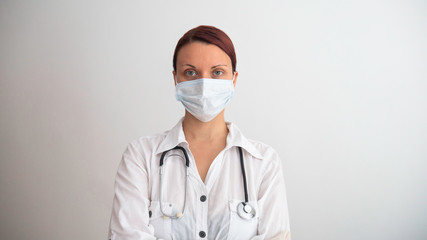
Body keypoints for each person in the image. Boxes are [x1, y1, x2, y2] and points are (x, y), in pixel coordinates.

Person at [108, 25, 291, 240]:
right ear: (175, 79)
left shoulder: (263, 162)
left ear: (234, 79)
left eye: (217, 72)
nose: (204, 84)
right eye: (191, 72)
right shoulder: (141, 156)